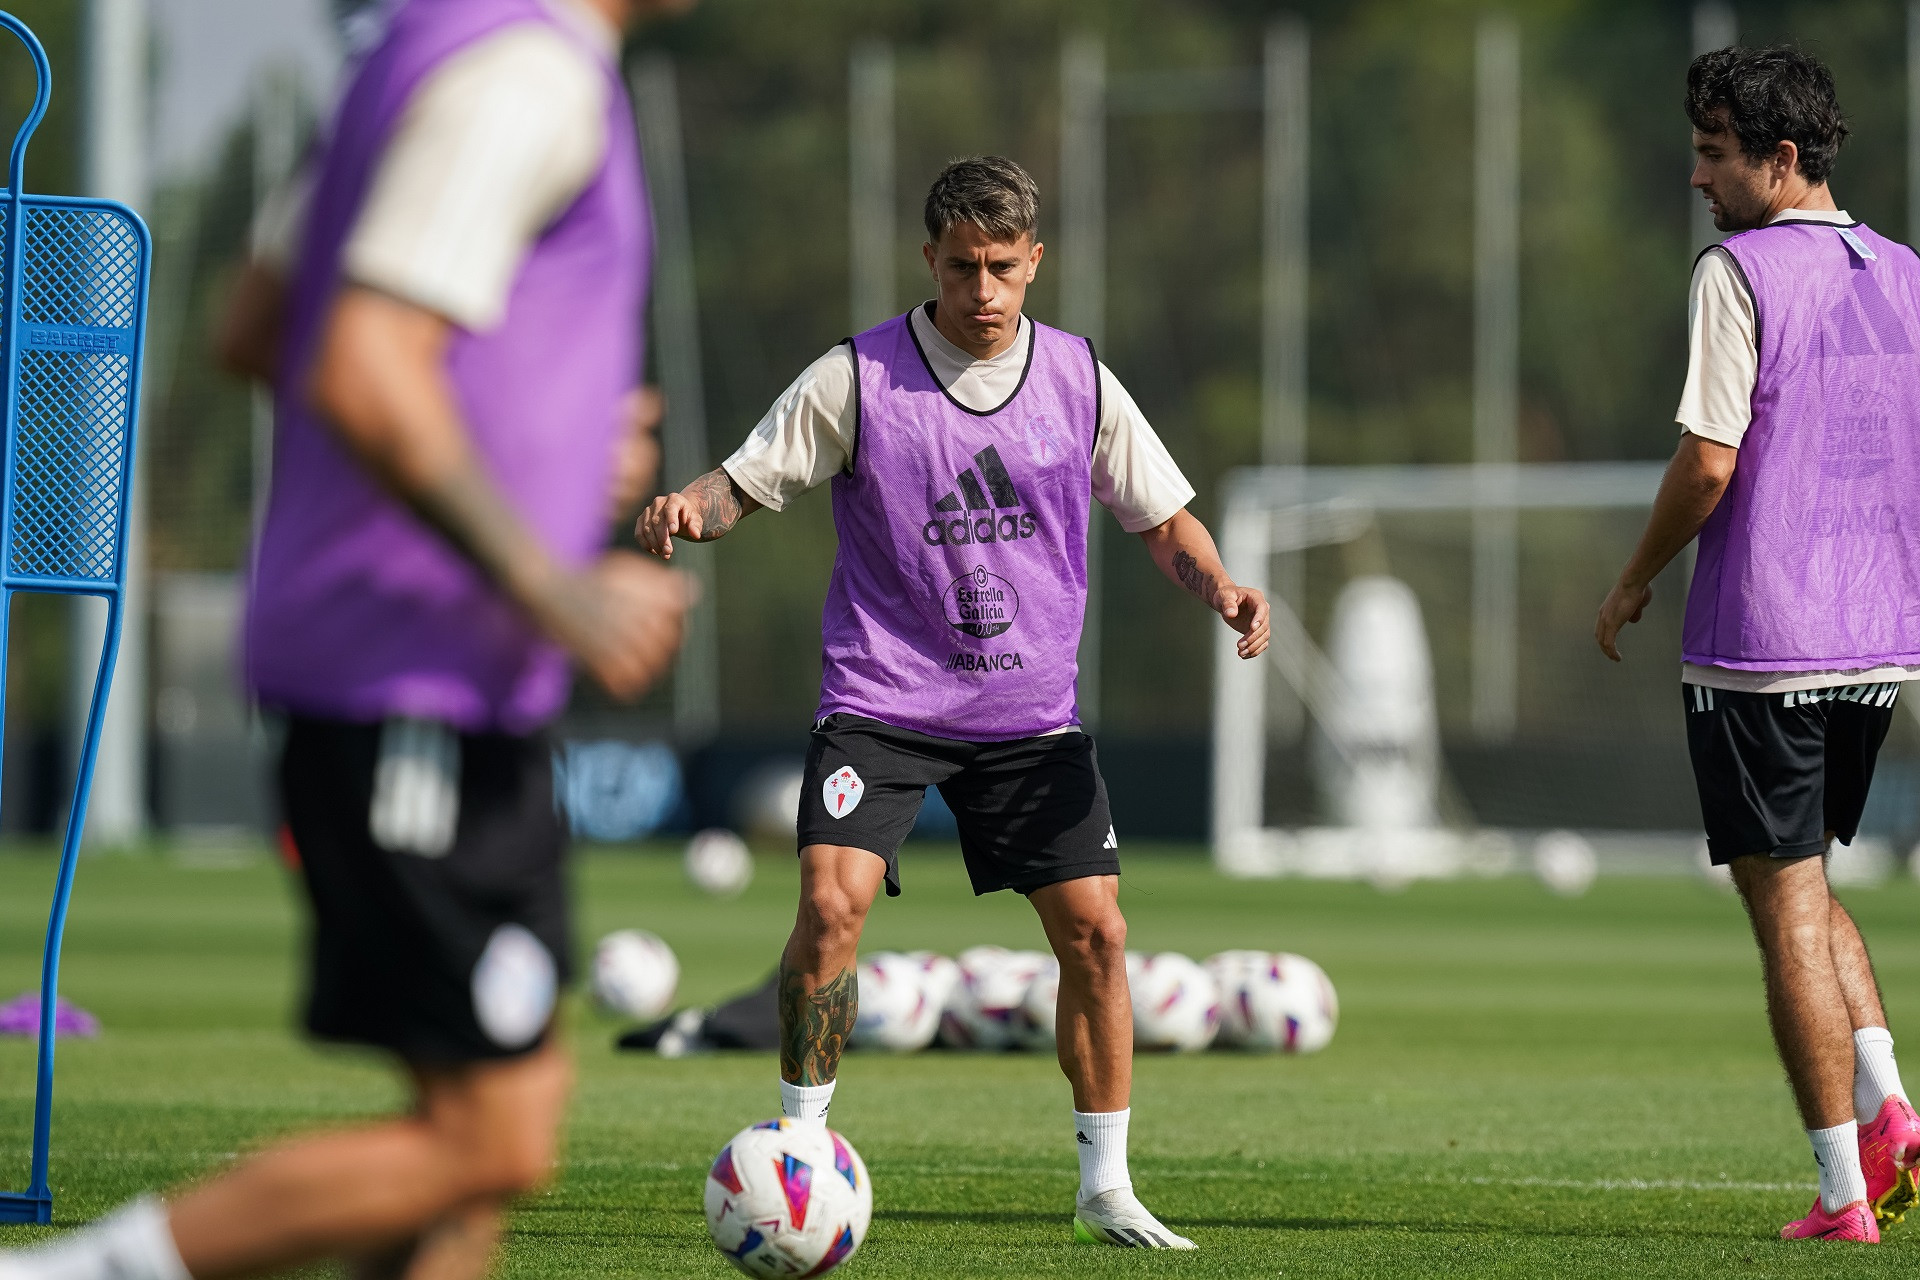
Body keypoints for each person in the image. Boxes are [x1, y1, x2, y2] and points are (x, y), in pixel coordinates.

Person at [0, 0, 692, 1277]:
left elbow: (259, 324)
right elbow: (365, 364)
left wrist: (539, 445)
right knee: (494, 1135)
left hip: (435, 678)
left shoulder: (418, 56)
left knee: (466, 1154)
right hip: (409, 677)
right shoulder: (528, 79)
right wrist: (549, 579)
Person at [640, 155, 1270, 1252]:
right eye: (963, 266)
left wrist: (1220, 585)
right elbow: (743, 481)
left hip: (1028, 717)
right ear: (930, 258)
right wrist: (688, 509)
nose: (984, 290)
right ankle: (800, 1153)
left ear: (1036, 263)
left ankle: (1106, 1185)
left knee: (1098, 935)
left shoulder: (1079, 379)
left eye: (1004, 267)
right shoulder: (857, 377)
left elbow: (1165, 519)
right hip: (881, 698)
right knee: (830, 908)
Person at [1597, 46, 1920, 1244]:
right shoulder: (1907, 272)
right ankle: (1890, 1109)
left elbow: (1708, 460)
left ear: (1782, 160)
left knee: (1782, 906)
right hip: (1878, 640)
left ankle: (1843, 1193)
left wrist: (1634, 576)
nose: (1697, 176)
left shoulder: (1736, 271)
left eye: (1715, 154)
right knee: (1803, 879)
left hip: (1765, 641)